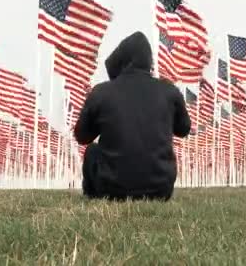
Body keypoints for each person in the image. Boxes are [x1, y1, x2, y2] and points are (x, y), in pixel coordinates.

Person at [74, 31, 191, 200]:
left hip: (111, 190)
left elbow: (82, 136)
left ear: (120, 62)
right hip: (160, 191)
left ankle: (91, 195)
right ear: (149, 62)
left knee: (92, 150)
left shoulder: (101, 92)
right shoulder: (169, 91)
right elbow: (183, 130)